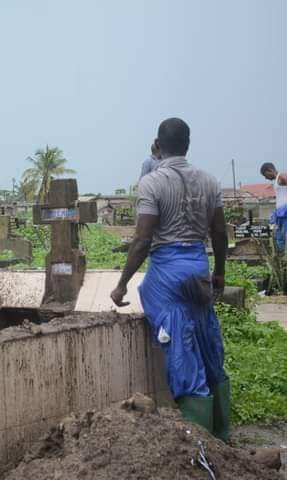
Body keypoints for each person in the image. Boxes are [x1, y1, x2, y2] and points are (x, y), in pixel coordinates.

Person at [110, 118, 230, 441]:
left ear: (158, 146)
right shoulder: (210, 181)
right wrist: (219, 272)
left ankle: (200, 441)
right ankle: (222, 433)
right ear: (188, 146)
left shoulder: (152, 183)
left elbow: (142, 240)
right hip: (198, 267)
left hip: (167, 272)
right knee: (207, 339)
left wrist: (121, 283)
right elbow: (219, 232)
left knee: (180, 347)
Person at [260, 162, 287, 249]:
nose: (265, 178)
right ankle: (283, 260)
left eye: (265, 175)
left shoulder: (281, 176)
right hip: (280, 214)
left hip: (285, 213)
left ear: (270, 170)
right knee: (280, 239)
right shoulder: (277, 180)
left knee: (285, 237)